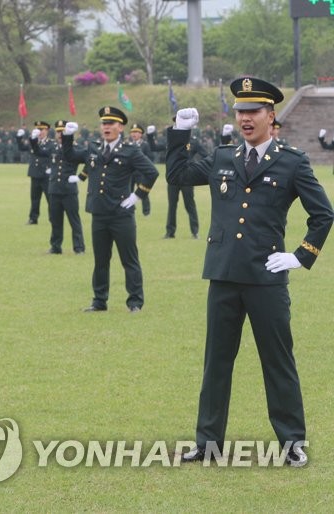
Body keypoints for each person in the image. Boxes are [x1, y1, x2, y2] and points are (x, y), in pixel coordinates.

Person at [168, 77, 332, 467]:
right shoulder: (224, 157)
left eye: (253, 111)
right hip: (224, 275)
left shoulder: (292, 161)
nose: (245, 118)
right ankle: (208, 442)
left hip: (266, 279)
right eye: (240, 111)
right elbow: (178, 176)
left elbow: (323, 215)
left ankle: (293, 442)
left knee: (277, 361)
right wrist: (180, 133)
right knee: (217, 362)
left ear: (270, 116)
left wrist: (301, 255)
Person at [62, 107, 158, 312]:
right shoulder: (93, 148)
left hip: (121, 215)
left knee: (129, 260)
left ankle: (135, 302)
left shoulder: (130, 151)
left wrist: (138, 195)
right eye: (104, 124)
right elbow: (70, 156)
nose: (106, 127)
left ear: (120, 127)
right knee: (101, 260)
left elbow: (152, 172)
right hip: (99, 213)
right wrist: (68, 136)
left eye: (111, 124)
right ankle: (99, 300)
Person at [148, 121, 203, 239]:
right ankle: (170, 232)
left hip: (187, 177)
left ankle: (195, 231)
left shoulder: (193, 141)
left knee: (190, 205)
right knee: (172, 205)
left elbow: (206, 154)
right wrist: (150, 135)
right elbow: (154, 148)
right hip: (173, 177)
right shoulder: (170, 141)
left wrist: (197, 167)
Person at [37, 120, 85, 254]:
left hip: (69, 189)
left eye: (62, 131)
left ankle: (79, 247)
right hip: (54, 188)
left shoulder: (76, 148)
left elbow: (89, 159)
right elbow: (38, 152)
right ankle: (56, 246)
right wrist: (33, 140)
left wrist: (81, 176)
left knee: (74, 220)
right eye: (58, 131)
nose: (60, 134)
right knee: (55, 220)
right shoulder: (53, 148)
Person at [17, 121, 52, 224]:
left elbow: (43, 153)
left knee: (50, 199)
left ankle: (53, 218)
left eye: (42, 130)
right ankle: (33, 218)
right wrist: (19, 138)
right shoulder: (33, 141)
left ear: (47, 131)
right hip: (35, 174)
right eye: (38, 130)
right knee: (35, 199)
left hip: (46, 174)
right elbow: (22, 147)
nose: (40, 132)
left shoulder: (51, 143)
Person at [128, 124, 152, 216]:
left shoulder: (145, 145)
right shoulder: (129, 145)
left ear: (141, 134)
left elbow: (150, 157)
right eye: (132, 132)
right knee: (128, 191)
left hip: (141, 173)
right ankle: (130, 208)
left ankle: (146, 211)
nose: (133, 134)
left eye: (136, 132)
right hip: (130, 173)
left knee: (143, 192)